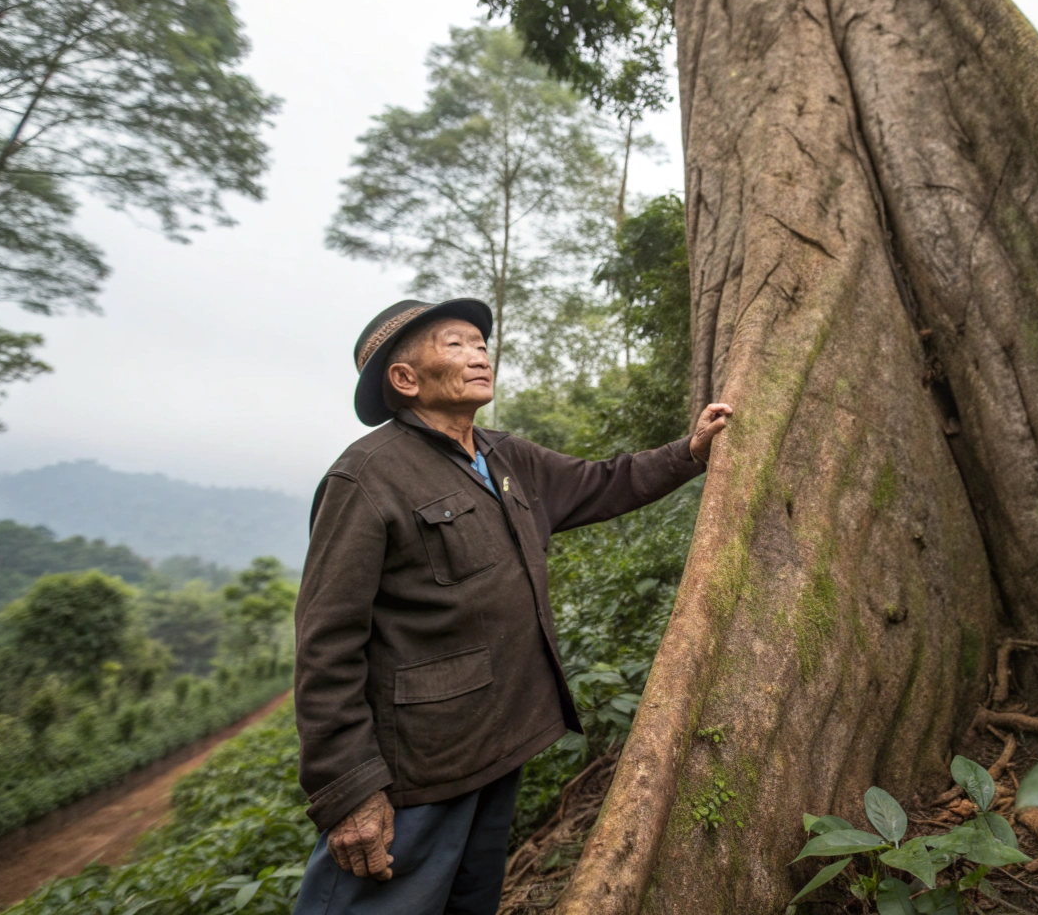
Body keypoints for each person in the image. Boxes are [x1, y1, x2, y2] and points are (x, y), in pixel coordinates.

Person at [292, 298, 731, 915]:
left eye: (480, 343)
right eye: (456, 345)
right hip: (417, 770)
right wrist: (349, 789)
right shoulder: (367, 478)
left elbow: (605, 482)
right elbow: (325, 642)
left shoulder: (503, 457)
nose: (479, 356)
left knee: (469, 905)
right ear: (405, 378)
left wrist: (691, 451)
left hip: (500, 747)